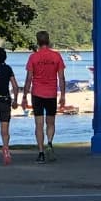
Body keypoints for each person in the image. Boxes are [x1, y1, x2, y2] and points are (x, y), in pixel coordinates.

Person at [21, 31, 66, 164]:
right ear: (48, 41)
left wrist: (24, 96)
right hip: (51, 93)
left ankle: (41, 152)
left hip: (37, 94)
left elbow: (29, 78)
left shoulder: (33, 57)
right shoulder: (56, 56)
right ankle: (50, 142)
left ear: (38, 42)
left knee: (39, 124)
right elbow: (61, 78)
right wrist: (63, 95)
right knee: (51, 122)